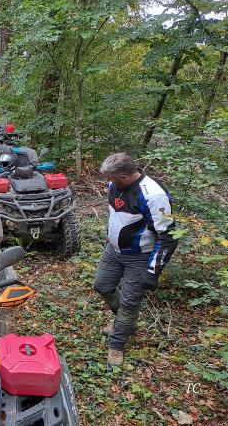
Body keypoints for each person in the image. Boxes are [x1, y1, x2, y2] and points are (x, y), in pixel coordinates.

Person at [94, 153, 178, 367]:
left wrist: (153, 270)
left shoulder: (153, 195)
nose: (107, 182)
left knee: (130, 302)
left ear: (123, 176)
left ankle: (117, 343)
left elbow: (168, 236)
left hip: (139, 256)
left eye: (110, 178)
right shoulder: (115, 185)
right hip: (114, 250)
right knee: (102, 286)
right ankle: (126, 322)